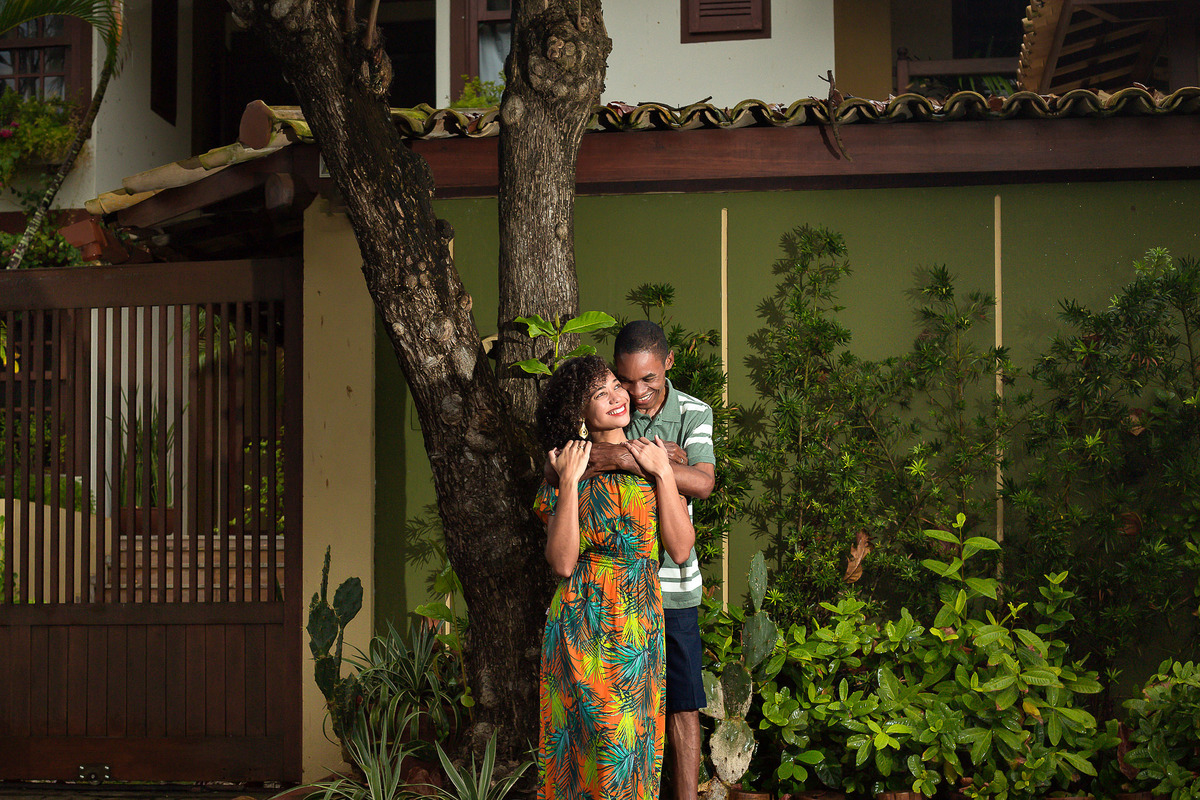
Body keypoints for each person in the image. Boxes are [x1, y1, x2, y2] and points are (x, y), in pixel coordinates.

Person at [534, 355, 696, 800]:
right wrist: (568, 483)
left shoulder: (654, 458)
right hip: (579, 625)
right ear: (579, 413)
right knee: (585, 755)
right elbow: (563, 563)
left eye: (614, 386)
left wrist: (663, 472)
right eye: (598, 394)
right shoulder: (568, 467)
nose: (616, 397)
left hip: (638, 627)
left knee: (629, 755)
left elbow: (680, 549)